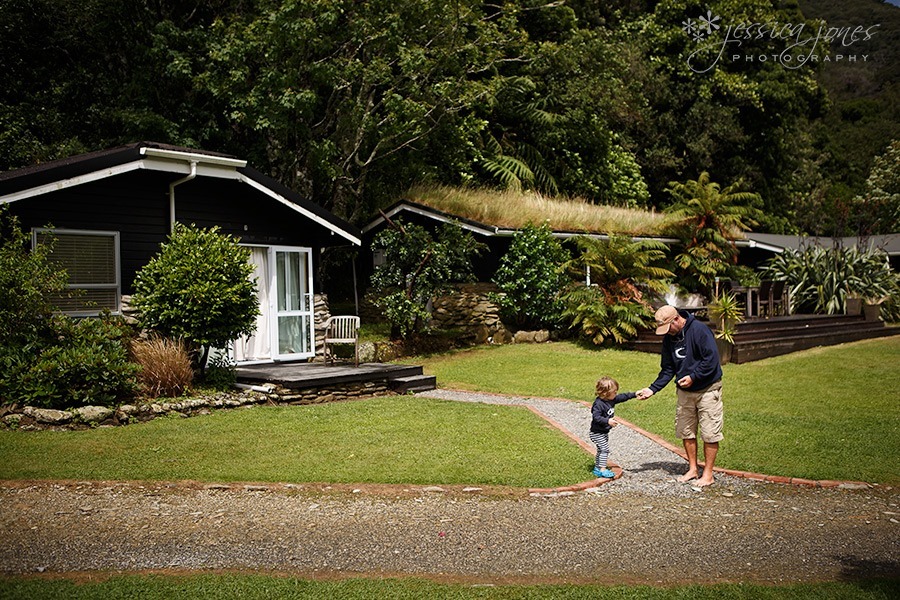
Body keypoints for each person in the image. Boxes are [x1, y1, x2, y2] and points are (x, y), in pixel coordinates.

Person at [636, 305, 723, 487]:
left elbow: (712, 360)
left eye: (668, 328)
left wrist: (693, 377)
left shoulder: (699, 331)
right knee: (686, 431)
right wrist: (652, 389)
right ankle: (692, 469)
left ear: (676, 319)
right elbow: (668, 369)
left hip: (708, 389)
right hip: (685, 393)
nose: (667, 333)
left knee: (709, 432)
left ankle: (708, 474)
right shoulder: (669, 338)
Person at [590, 376, 636, 479]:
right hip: (596, 433)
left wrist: (635, 394)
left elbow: (623, 397)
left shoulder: (611, 400)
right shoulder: (598, 404)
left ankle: (597, 468)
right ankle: (602, 469)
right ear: (605, 393)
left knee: (601, 450)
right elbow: (596, 417)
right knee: (604, 449)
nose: (616, 394)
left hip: (603, 432)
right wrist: (608, 421)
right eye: (614, 392)